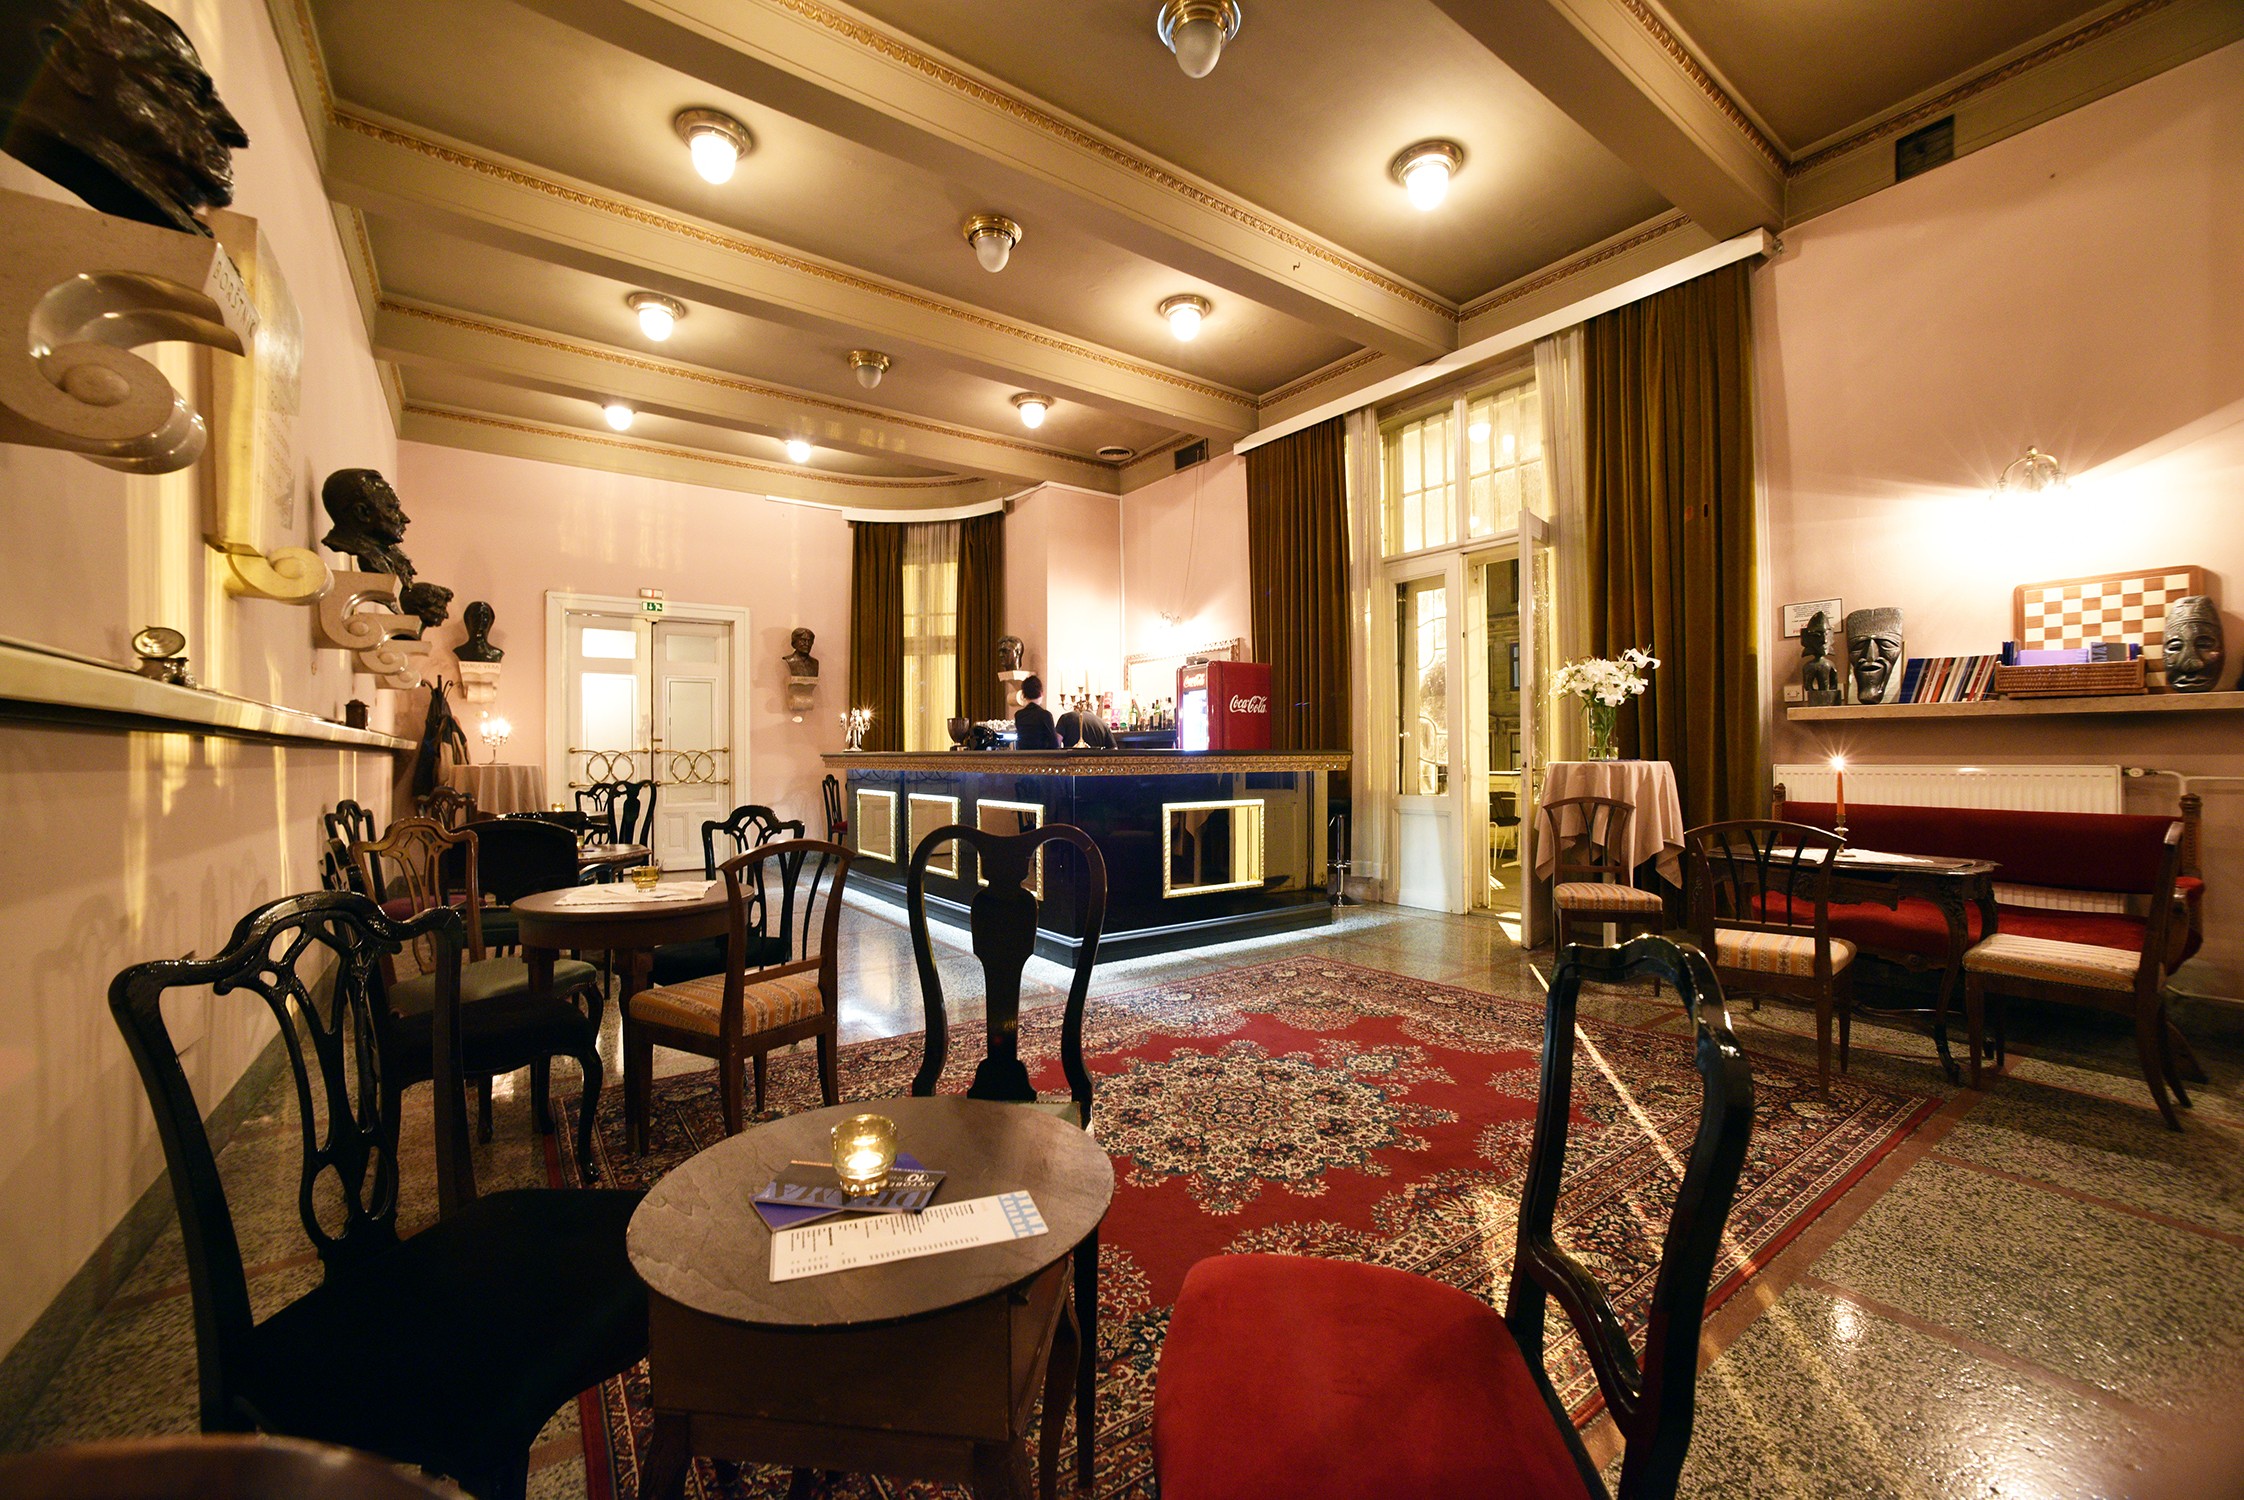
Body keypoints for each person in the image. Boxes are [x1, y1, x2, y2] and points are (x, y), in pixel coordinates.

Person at [1014, 674, 1060, 750]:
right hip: (1041, 755)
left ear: (1024, 694)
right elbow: (1054, 743)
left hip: (1023, 755)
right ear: (1041, 693)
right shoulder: (1045, 715)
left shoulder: (1019, 715)